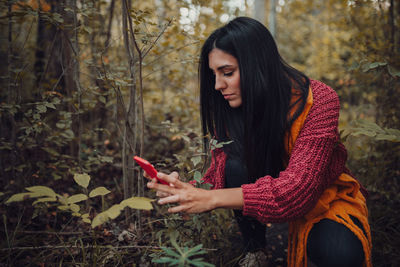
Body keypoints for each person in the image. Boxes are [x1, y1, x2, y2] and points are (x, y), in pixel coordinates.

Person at [146, 17, 372, 267]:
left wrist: (210, 199)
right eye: (214, 74)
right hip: (267, 176)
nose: (218, 85)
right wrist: (188, 190)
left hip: (321, 193)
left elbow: (299, 189)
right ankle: (256, 248)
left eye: (227, 72)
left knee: (339, 254)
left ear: (258, 64)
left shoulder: (319, 100)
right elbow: (221, 173)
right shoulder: (231, 104)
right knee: (233, 166)